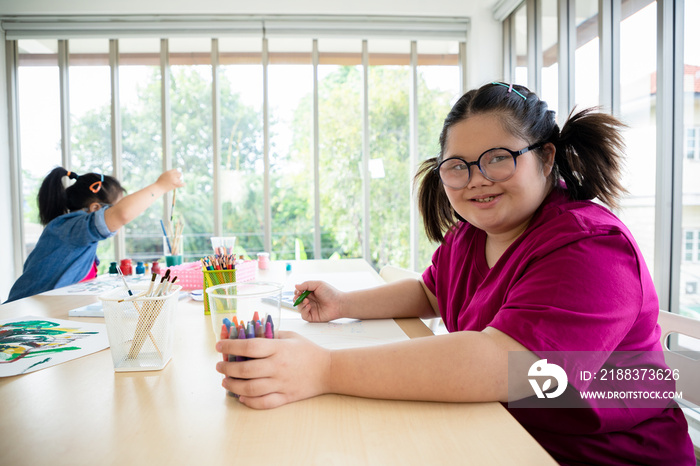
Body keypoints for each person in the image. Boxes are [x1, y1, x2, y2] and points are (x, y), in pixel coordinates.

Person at [214, 82, 695, 465]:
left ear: (546, 157)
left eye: (499, 158)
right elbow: (432, 291)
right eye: (457, 167)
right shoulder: (474, 233)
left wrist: (325, 368)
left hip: (593, 453)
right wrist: (343, 303)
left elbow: (510, 366)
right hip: (499, 431)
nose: (477, 179)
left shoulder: (589, 248)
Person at [6, 167, 184, 302]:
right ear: (96, 209)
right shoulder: (71, 228)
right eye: (114, 207)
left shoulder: (77, 234)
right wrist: (161, 186)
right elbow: (122, 215)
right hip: (20, 314)